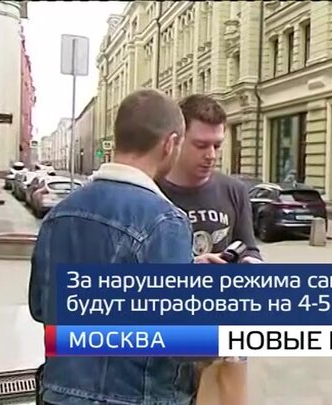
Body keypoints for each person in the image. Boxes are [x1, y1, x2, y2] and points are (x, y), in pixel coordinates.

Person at [28, 89, 219, 404]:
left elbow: (40, 308)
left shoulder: (59, 215)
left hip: (57, 395)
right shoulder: (164, 221)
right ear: (170, 143)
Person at [157, 94, 262, 263]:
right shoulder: (151, 192)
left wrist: (252, 262)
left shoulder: (234, 190)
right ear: (176, 141)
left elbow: (248, 247)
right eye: (201, 145)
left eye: (217, 146)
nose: (211, 155)